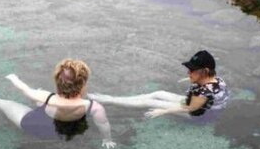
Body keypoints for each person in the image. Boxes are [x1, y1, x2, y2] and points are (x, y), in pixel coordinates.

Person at [0, 59, 116, 148]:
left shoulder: (48, 97)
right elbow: (104, 125)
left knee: (0, 103)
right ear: (83, 84)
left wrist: (14, 79)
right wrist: (107, 140)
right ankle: (40, 106)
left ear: (57, 80)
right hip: (62, 133)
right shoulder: (94, 107)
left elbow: (24, 89)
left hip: (34, 126)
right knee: (40, 102)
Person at [90, 50, 230, 121]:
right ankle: (119, 99)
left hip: (200, 116)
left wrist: (163, 111)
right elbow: (208, 90)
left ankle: (109, 100)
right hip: (202, 105)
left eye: (192, 71)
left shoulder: (203, 92)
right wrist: (190, 79)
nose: (188, 72)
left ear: (204, 71)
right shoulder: (217, 79)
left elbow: (189, 108)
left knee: (151, 103)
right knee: (159, 93)